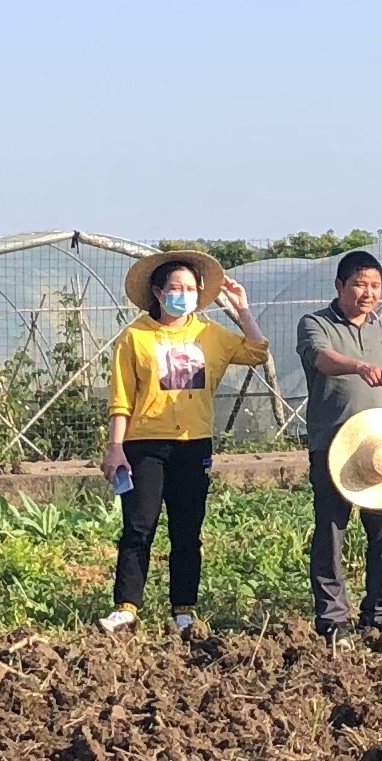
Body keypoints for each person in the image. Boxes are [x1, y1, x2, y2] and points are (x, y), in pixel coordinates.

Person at [99, 245, 263, 636]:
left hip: (194, 444)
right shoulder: (135, 337)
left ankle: (183, 609)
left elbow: (256, 351)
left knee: (187, 530)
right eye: (176, 287)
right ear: (157, 292)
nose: (184, 295)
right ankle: (126, 607)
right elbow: (121, 398)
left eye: (191, 288)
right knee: (139, 526)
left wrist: (242, 309)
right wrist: (115, 447)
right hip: (144, 444)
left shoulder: (210, 334)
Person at [296, 249, 382, 636]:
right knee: (331, 531)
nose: (368, 292)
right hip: (332, 445)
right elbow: (322, 359)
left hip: (380, 450)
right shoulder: (315, 324)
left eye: (375, 286)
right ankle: (332, 617)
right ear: (340, 286)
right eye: (360, 284)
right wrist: (358, 365)